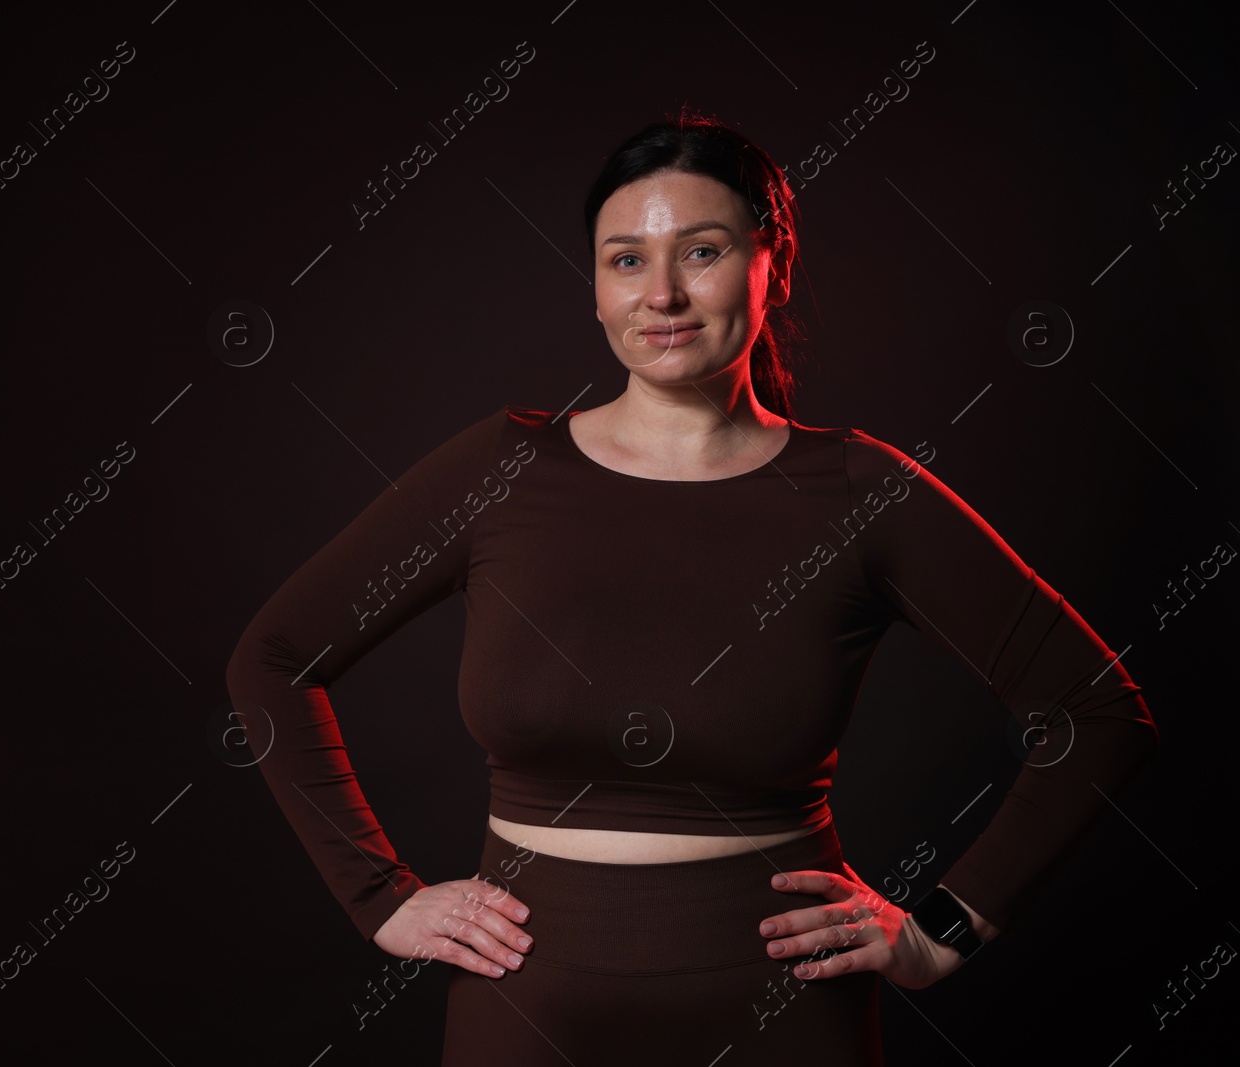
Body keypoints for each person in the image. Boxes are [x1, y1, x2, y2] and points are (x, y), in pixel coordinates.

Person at [224, 109, 1158, 1065]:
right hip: (528, 1005)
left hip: (781, 1014)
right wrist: (378, 895)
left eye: (701, 250)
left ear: (773, 262)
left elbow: (1097, 710)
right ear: (594, 287)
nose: (662, 294)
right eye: (626, 259)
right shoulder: (500, 470)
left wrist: (940, 932)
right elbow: (274, 658)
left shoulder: (857, 492)